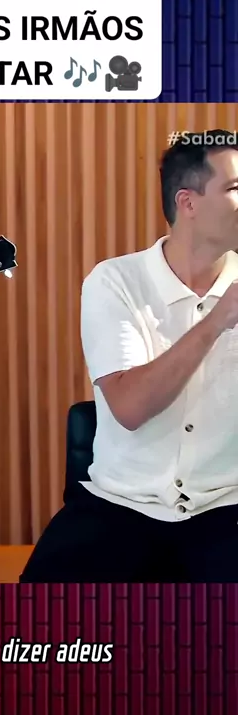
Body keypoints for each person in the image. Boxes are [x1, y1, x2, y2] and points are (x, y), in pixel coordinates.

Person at [21, 129, 238, 582]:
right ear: (188, 202)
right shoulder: (114, 282)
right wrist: (218, 320)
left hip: (227, 505)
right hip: (120, 505)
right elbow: (129, 408)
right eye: (235, 187)